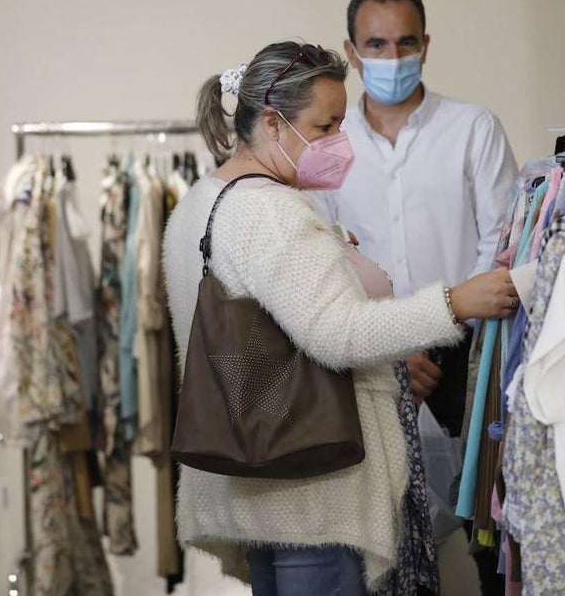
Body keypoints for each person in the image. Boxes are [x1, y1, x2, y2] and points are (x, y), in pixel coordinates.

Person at [162, 40, 519, 596]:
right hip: (310, 491)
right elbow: (340, 334)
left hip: (257, 481)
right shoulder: (270, 210)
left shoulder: (201, 202)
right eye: (325, 125)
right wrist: (455, 302)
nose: (337, 142)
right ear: (275, 125)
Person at [308, 0, 518, 594]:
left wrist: (436, 329)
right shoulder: (328, 140)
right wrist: (396, 345)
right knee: (376, 540)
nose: (392, 57)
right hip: (368, 357)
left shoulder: (473, 128)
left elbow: (499, 244)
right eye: (376, 44)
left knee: (487, 530)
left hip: (466, 356)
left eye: (405, 43)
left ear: (426, 45)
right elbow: (323, 248)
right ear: (351, 51)